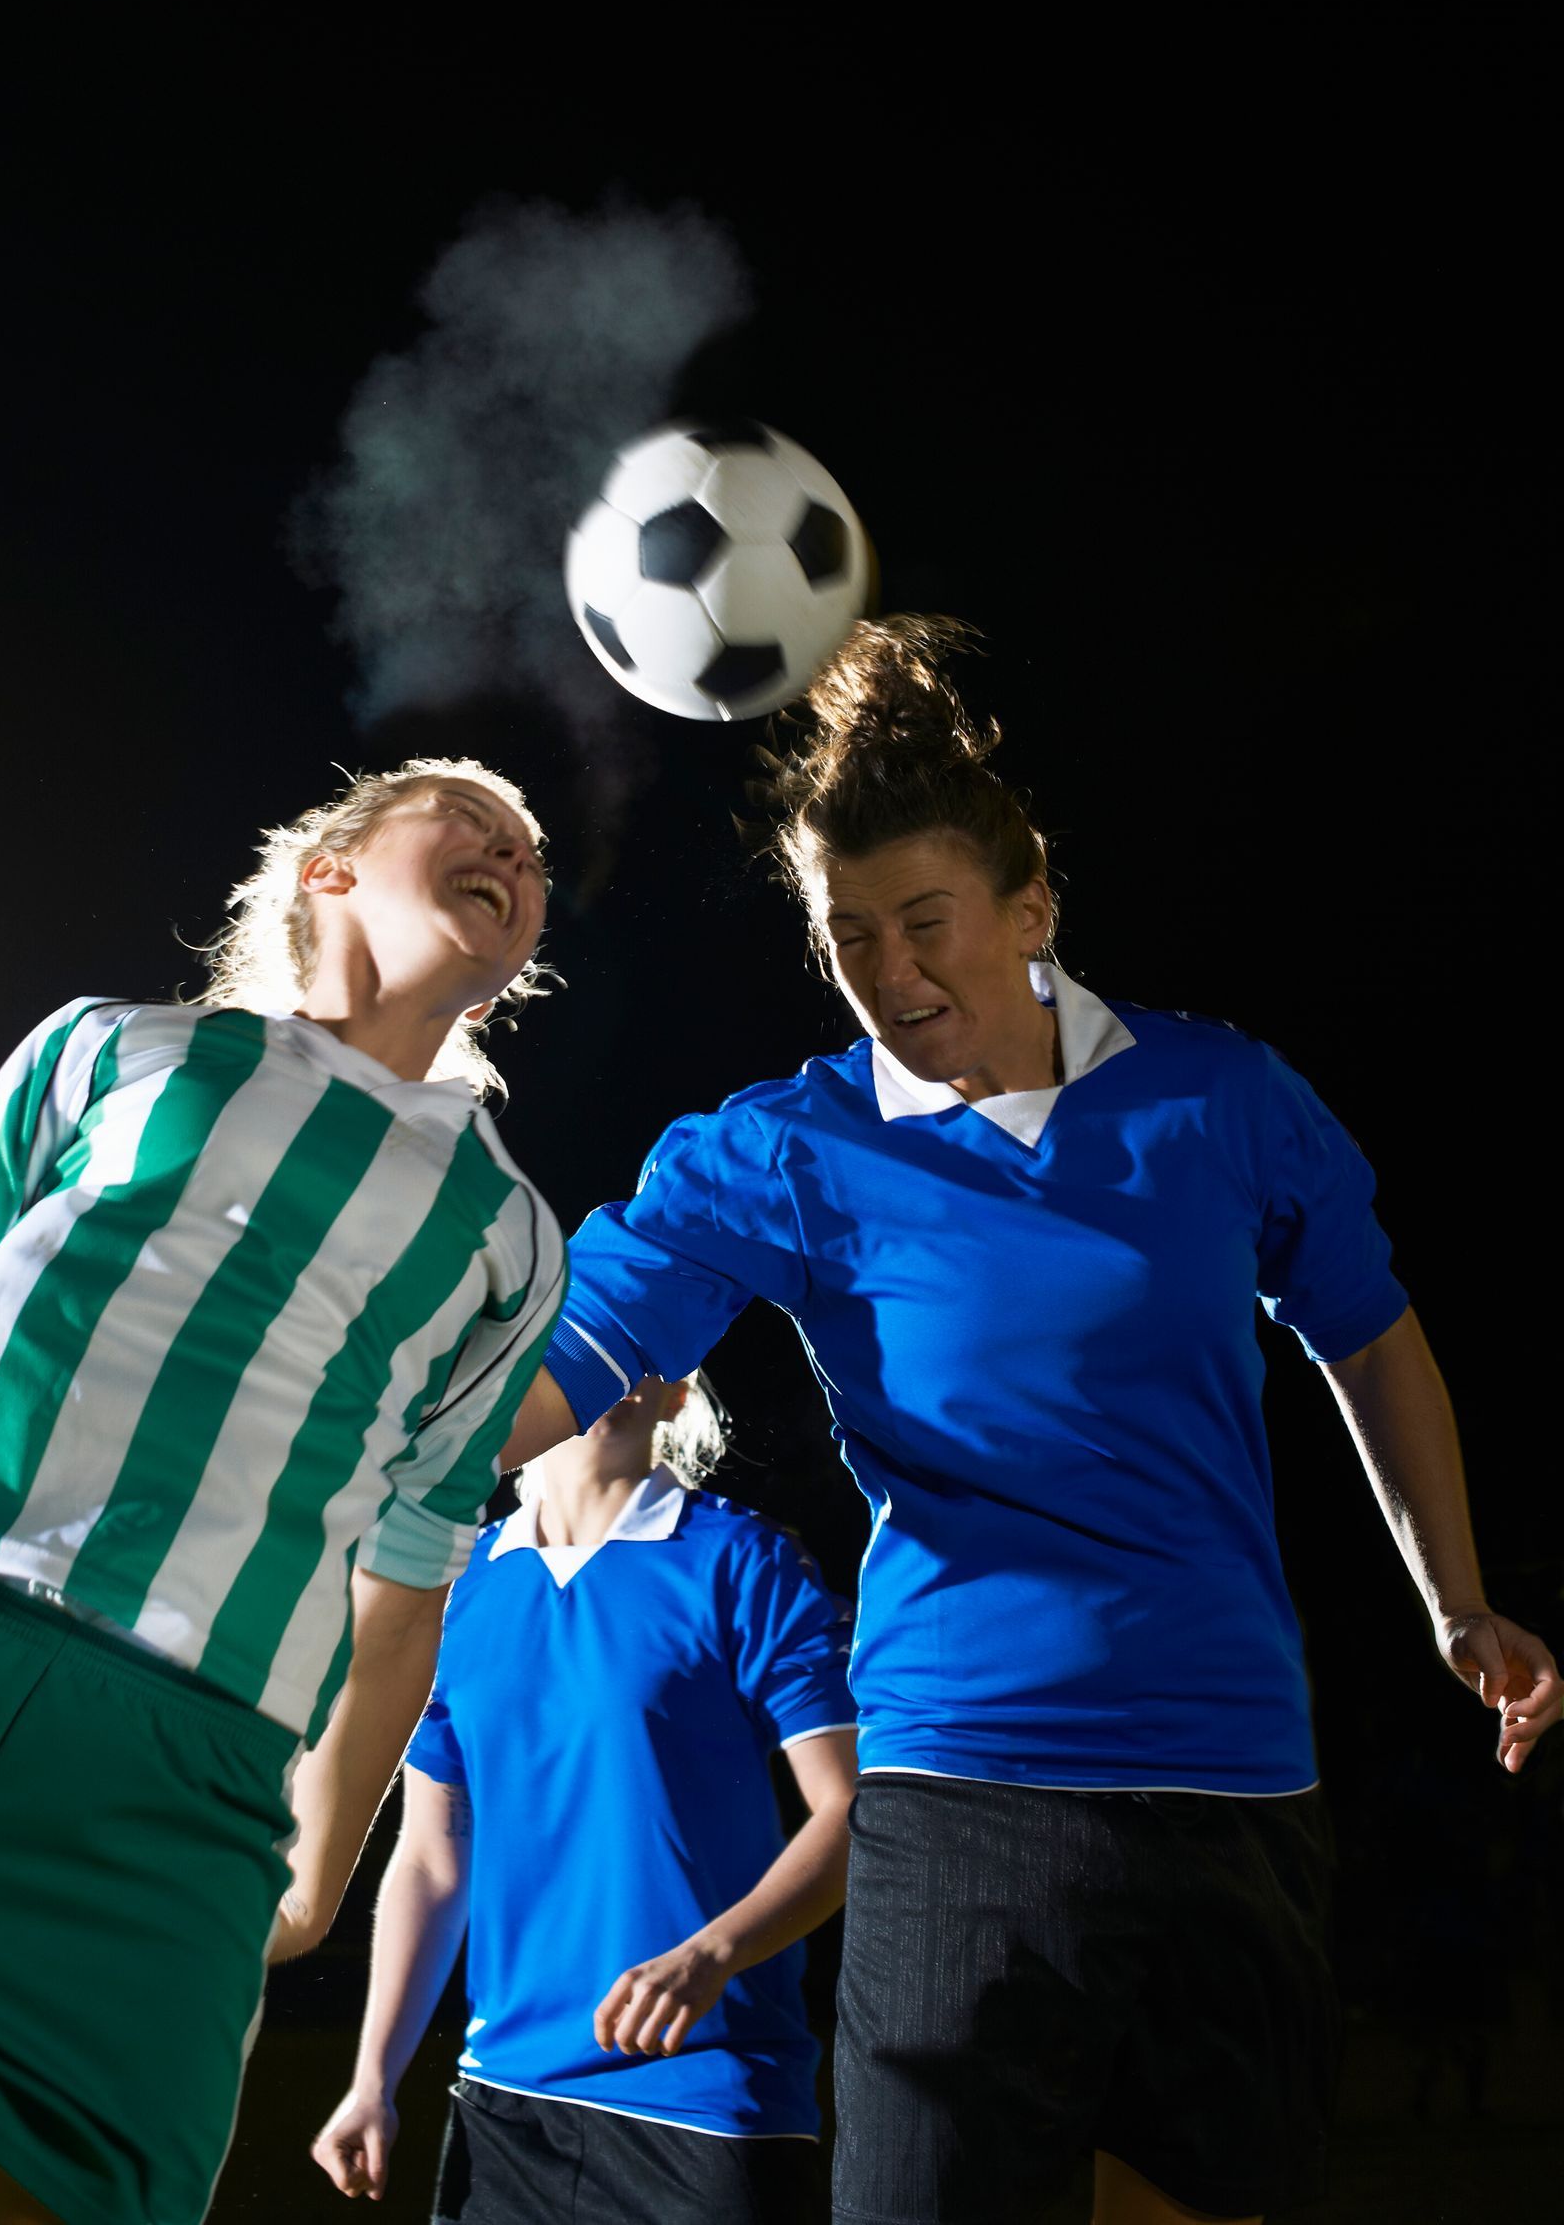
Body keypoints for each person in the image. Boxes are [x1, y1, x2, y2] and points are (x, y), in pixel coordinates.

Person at [500, 618, 1563, 2225]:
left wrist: (1455, 1596)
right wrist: (363, 1403)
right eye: (846, 934)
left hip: (1234, 1779)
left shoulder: (1220, 1100)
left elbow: (1371, 1338)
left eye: (926, 922)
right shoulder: (784, 1152)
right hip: (964, 1786)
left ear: (1034, 909)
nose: (890, 973)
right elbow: (562, 1370)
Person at [0, 759, 564, 2225]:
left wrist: (316, 1878)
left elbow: (403, 1584)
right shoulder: (109, 1053)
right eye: (470, 821)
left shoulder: (508, 1238)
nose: (514, 856)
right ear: (327, 867)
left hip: (174, 1800)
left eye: (531, 858)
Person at [304, 1371, 857, 2223]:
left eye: (645, 1349)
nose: (615, 1369)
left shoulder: (742, 1561)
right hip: (505, 2105)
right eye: (583, 1339)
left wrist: (709, 1955)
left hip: (705, 2101)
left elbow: (852, 1818)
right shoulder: (463, 1590)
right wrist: (372, 2078)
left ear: (679, 1392)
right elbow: (431, 1857)